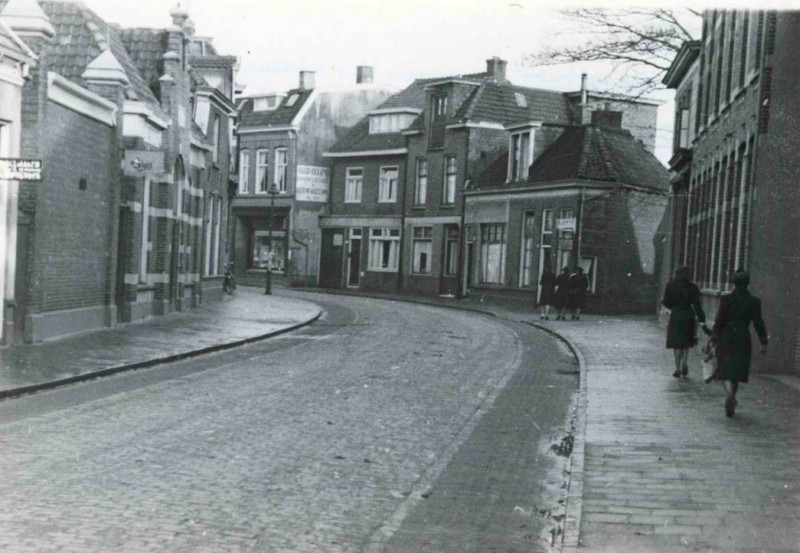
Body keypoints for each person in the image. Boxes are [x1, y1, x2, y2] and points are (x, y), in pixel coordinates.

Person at [712, 270, 768, 417]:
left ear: (734, 283)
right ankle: (732, 395)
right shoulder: (754, 301)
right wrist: (764, 342)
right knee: (737, 370)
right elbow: (758, 323)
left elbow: (719, 321)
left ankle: (730, 395)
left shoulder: (726, 299)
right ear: (748, 283)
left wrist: (714, 338)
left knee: (724, 369)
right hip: (743, 337)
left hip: (726, 336)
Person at [662, 265, 706, 378]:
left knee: (677, 343)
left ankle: (677, 368)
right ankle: (685, 363)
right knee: (686, 342)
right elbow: (697, 305)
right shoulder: (693, 287)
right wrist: (702, 319)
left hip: (676, 314)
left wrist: (674, 306)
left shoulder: (670, 285)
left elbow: (666, 302)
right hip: (688, 314)